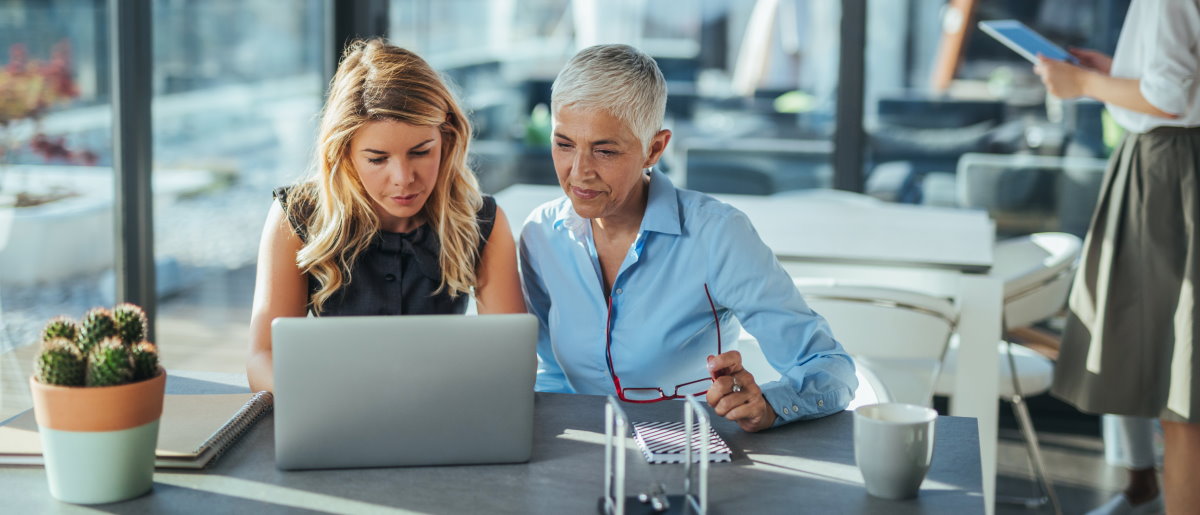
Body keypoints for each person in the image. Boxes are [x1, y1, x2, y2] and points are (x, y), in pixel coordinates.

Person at [519, 44, 857, 432]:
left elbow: (831, 368)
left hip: (698, 460)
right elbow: (552, 372)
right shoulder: (541, 236)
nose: (579, 172)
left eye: (605, 150)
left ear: (654, 149)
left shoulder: (717, 235)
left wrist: (769, 405)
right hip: (585, 461)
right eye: (564, 144)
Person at [248, 39, 525, 392]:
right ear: (344, 153)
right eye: (377, 159)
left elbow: (510, 358)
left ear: (447, 137)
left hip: (442, 414)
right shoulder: (297, 216)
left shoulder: (480, 220)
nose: (403, 178)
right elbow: (262, 357)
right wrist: (313, 403)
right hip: (332, 418)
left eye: (421, 152)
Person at [1035, 1, 1200, 513]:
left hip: (1172, 171)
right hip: (1176, 165)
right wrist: (1117, 73)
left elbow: (1171, 96)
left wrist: (1081, 85)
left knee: (1184, 390)